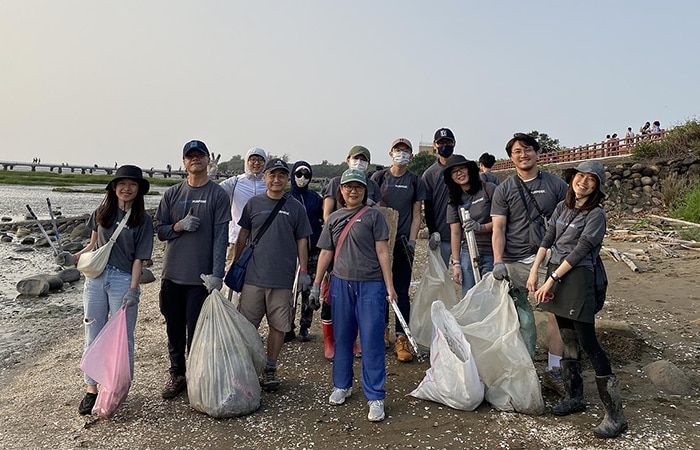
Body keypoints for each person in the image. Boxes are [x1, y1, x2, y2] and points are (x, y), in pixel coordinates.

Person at [527, 161, 628, 439]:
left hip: (577, 277)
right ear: (573, 179)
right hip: (554, 274)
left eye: (591, 179)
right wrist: (536, 270)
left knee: (588, 342)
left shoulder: (596, 214)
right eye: (580, 176)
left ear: (597, 186)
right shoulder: (562, 207)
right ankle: (575, 397)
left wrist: (551, 280)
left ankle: (616, 414)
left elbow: (582, 249)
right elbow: (548, 238)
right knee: (567, 336)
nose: (583, 182)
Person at [55, 165, 154, 415]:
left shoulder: (142, 220)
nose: (127, 188)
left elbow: (138, 260)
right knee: (93, 333)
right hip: (96, 280)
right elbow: (92, 246)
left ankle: (117, 389)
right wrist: (73, 258)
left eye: (132, 184)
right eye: (122, 183)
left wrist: (133, 290)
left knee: (123, 338)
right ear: (113, 186)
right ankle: (91, 390)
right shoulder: (101, 212)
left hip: (122, 281)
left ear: (139, 189)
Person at [310, 169, 397, 422]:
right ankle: (342, 385)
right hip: (340, 283)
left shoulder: (374, 216)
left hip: (371, 284)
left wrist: (389, 287)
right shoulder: (334, 218)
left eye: (358, 187)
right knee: (343, 336)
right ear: (341, 191)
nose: (353, 191)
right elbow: (326, 252)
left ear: (365, 190)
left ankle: (376, 395)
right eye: (348, 187)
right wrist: (316, 283)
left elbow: (383, 252)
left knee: (371, 339)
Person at [490, 133, 568, 390]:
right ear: (511, 157)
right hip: (514, 261)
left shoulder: (556, 185)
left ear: (537, 153)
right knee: (515, 315)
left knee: (553, 314)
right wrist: (498, 261)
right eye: (517, 152)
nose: (523, 155)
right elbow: (499, 229)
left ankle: (555, 367)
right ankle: (521, 365)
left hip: (548, 259)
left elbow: (570, 219)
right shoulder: (505, 189)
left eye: (527, 150)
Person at [155, 140, 231, 399]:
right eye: (190, 156)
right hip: (172, 275)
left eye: (200, 155)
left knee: (197, 331)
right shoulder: (172, 194)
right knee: (173, 328)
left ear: (208, 160)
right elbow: (160, 230)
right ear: (184, 162)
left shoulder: (218, 194)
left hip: (200, 278)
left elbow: (221, 236)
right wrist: (178, 227)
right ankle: (177, 374)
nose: (195, 159)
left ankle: (198, 375)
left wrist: (217, 274)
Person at [233, 158, 312, 392]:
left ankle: (270, 367)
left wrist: (304, 272)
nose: (276, 179)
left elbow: (302, 241)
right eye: (272, 175)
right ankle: (246, 368)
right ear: (265, 177)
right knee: (247, 325)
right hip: (253, 278)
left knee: (278, 326)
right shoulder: (253, 204)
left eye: (281, 175)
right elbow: (243, 236)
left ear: (287, 179)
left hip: (282, 279)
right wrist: (234, 263)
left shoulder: (296, 207)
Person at [320, 145, 381, 360]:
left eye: (364, 159)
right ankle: (329, 340)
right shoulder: (336, 182)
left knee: (355, 299)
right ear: (348, 159)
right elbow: (327, 214)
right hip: (336, 247)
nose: (360, 162)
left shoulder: (372, 184)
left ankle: (352, 341)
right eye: (356, 158)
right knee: (329, 297)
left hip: (361, 252)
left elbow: (377, 214)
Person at [370, 138, 426, 362]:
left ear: (411, 156)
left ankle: (402, 336)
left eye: (405, 151)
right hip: (381, 241)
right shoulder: (379, 177)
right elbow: (370, 209)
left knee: (401, 290)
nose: (401, 154)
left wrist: (413, 240)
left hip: (403, 241)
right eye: (398, 150)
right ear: (390, 153)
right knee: (381, 288)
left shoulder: (415, 181)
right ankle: (381, 330)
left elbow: (416, 214)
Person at [443, 155, 497, 297]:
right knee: (470, 297)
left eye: (462, 169)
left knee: (490, 296)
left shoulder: (489, 190)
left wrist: (481, 227)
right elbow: (455, 233)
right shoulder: (454, 201)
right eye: (454, 172)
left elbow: (502, 221)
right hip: (469, 252)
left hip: (493, 251)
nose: (459, 173)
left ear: (470, 169)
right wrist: (456, 264)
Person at [287, 160, 324, 342]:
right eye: (299, 174)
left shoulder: (316, 198)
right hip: (290, 252)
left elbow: (325, 218)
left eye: (306, 175)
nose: (302, 178)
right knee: (289, 291)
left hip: (313, 250)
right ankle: (287, 326)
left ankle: (305, 326)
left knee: (309, 290)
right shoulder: (286, 198)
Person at [219, 148, 268, 271]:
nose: (256, 163)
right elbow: (214, 192)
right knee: (231, 273)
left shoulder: (269, 183)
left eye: (260, 160)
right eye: (253, 159)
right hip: (236, 238)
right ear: (246, 161)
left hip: (262, 240)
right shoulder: (235, 182)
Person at [423, 127, 457, 265]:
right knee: (437, 278)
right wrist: (432, 231)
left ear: (454, 143)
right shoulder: (430, 174)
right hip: (441, 235)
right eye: (441, 143)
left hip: (464, 237)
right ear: (435, 145)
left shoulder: (463, 168)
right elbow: (428, 205)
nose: (445, 146)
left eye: (448, 143)